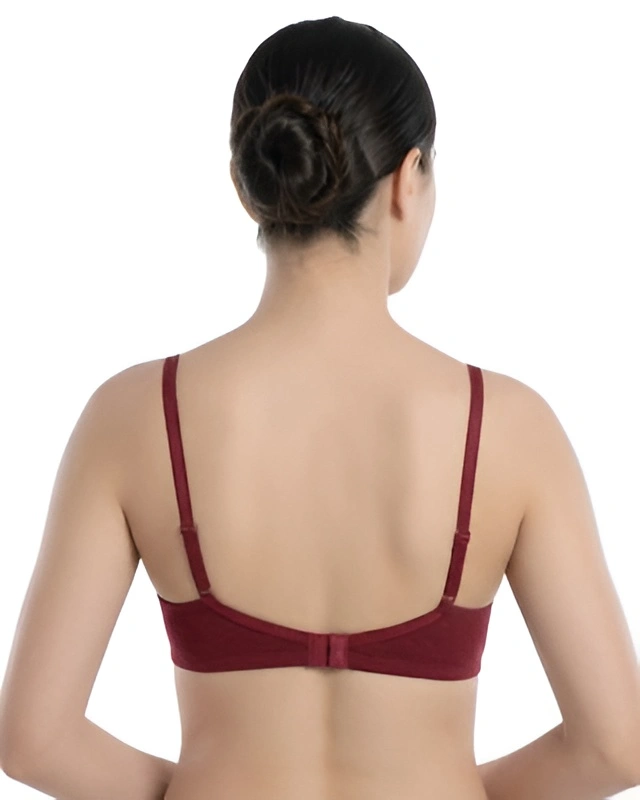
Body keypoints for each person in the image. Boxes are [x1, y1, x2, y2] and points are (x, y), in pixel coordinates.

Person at [1, 15, 639, 800]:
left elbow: (34, 741)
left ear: (247, 183)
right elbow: (615, 747)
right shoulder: (508, 428)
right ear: (408, 179)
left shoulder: (133, 416)